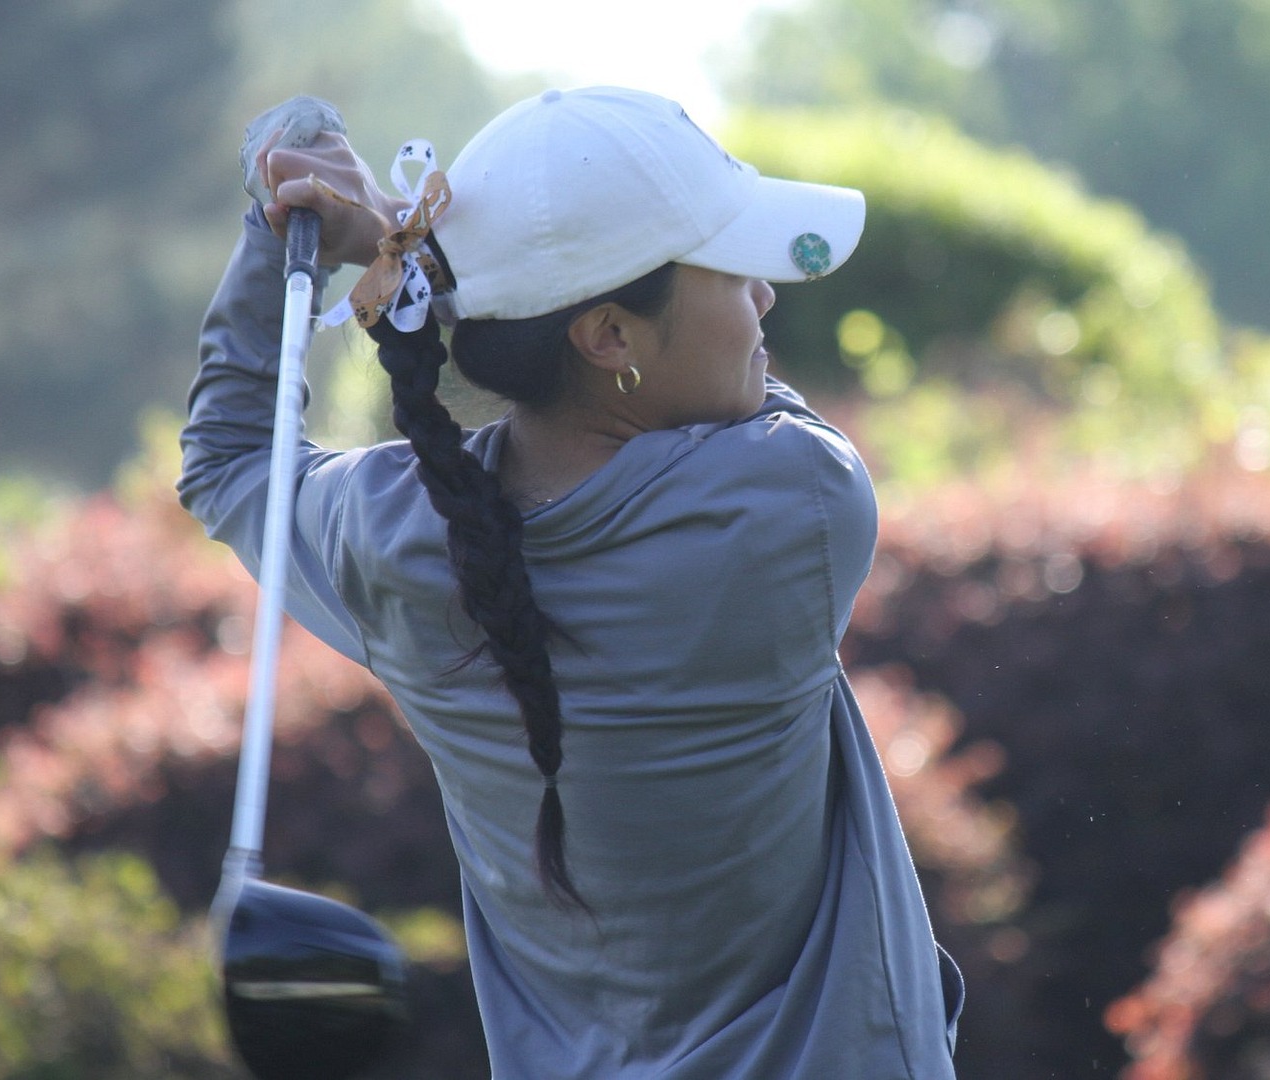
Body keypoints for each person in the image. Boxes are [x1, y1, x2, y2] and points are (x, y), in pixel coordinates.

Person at [179, 86, 963, 1079]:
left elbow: (231, 461)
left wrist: (301, 243)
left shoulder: (398, 537)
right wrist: (404, 263)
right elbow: (757, 404)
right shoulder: (793, 503)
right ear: (610, 339)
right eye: (729, 270)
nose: (765, 295)